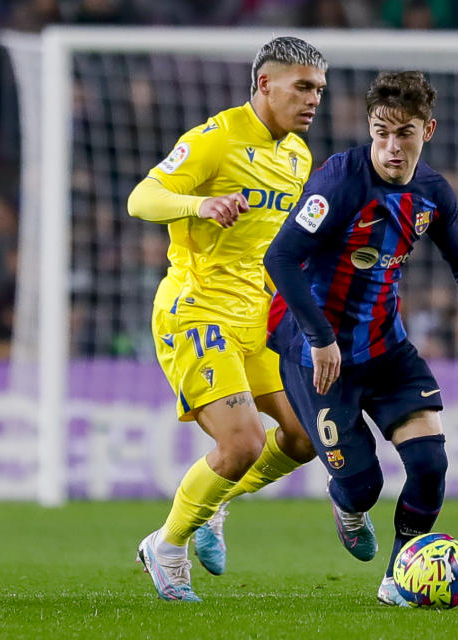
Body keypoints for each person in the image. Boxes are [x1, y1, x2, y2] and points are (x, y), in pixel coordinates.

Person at [263, 71, 458, 606]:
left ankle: (397, 579)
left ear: (426, 130)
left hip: (385, 348)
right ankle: (347, 504)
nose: (390, 146)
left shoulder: (432, 193)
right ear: (370, 127)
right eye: (381, 131)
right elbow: (280, 258)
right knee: (363, 486)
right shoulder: (340, 179)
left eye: (403, 133)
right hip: (316, 352)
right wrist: (320, 338)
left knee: (431, 466)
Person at [127, 36, 327, 602]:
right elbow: (142, 198)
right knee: (241, 444)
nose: (313, 100)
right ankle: (165, 547)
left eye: (319, 90)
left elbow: (275, 247)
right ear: (266, 84)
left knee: (305, 435)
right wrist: (199, 204)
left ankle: (215, 505)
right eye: (303, 88)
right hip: (196, 310)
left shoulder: (297, 156)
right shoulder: (214, 139)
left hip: (257, 318)